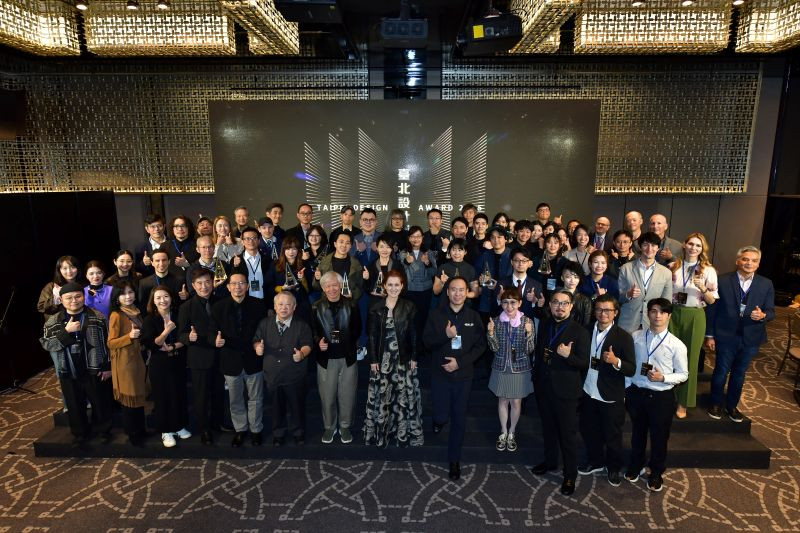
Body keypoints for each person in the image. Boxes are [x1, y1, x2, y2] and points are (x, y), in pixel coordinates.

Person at [423, 277, 487, 481]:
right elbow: (426, 342)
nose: (457, 294)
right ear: (447, 292)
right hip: (440, 375)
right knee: (441, 415)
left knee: (459, 419)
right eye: (453, 290)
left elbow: (481, 346)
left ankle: (454, 461)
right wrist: (445, 335)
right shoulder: (436, 314)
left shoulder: (474, 316)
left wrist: (460, 363)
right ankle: (438, 421)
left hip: (463, 376)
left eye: (461, 290)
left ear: (467, 292)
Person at [530, 289, 590, 496]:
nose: (560, 306)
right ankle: (550, 462)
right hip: (544, 387)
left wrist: (567, 356)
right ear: (550, 305)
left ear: (571, 307)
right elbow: (540, 352)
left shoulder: (580, 331)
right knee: (548, 428)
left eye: (564, 303)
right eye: (556, 302)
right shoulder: (545, 324)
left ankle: (570, 474)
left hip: (566, 391)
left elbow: (584, 363)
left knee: (567, 434)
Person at [705, 245, 775, 422]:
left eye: (754, 260)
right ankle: (715, 403)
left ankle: (732, 406)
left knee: (739, 373)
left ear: (758, 264)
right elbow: (712, 309)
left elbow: (771, 311)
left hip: (751, 337)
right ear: (737, 261)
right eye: (745, 259)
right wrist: (710, 335)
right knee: (721, 371)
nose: (749, 263)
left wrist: (763, 315)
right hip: (725, 335)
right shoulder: (722, 280)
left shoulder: (766, 284)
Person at [625, 298, 688, 492]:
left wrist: (663, 378)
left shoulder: (676, 344)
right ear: (648, 314)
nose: (657, 315)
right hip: (637, 393)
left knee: (659, 437)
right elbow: (629, 365)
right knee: (638, 433)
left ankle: (656, 472)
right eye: (653, 311)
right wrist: (626, 388)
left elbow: (683, 374)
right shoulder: (635, 336)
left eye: (662, 312)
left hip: (661, 397)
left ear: (669, 316)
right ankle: (636, 465)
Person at [39, 282, 113, 446]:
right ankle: (80, 433)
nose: (74, 300)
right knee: (74, 403)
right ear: (61, 300)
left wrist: (107, 366)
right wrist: (66, 332)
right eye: (69, 298)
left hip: (94, 366)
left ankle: (103, 430)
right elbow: (48, 345)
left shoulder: (97, 316)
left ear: (84, 297)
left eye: (78, 296)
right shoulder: (53, 321)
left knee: (100, 401)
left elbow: (108, 343)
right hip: (68, 367)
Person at [578, 294, 636, 486]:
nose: (603, 313)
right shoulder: (585, 331)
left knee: (613, 435)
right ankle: (595, 461)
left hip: (610, 394)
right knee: (589, 430)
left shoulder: (623, 337)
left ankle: (613, 468)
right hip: (588, 390)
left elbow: (631, 368)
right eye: (599, 309)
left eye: (608, 310)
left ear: (616, 313)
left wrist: (615, 361)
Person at [364, 269, 423, 447]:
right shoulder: (375, 307)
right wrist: (373, 359)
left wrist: (414, 356)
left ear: (402, 286)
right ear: (384, 286)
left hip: (403, 359)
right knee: (383, 397)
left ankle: (403, 433)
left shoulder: (409, 306)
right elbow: (372, 336)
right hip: (382, 360)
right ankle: (382, 433)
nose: (393, 288)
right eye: (390, 284)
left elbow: (414, 334)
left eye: (397, 284)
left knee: (403, 396)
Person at [210, 273, 267, 447]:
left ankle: (256, 430)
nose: (238, 286)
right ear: (228, 287)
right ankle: (240, 430)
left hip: (253, 358)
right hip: (230, 360)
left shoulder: (259, 305)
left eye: (242, 283)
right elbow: (212, 331)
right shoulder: (218, 307)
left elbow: (263, 330)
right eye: (234, 283)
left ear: (247, 286)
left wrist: (260, 345)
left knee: (256, 398)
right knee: (235, 400)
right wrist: (215, 340)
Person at [669, 233, 719, 418]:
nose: (693, 248)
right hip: (672, 314)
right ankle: (668, 397)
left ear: (702, 249)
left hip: (695, 315)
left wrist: (703, 288)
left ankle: (683, 402)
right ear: (684, 245)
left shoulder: (708, 270)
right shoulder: (673, 266)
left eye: (698, 245)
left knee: (690, 359)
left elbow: (712, 301)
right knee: (668, 356)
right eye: (691, 244)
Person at [254, 291, 313, 446]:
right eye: (280, 304)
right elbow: (256, 340)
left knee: (297, 407)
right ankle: (278, 433)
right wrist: (257, 348)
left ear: (294, 307)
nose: (284, 308)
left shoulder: (302, 325)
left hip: (294, 375)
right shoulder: (264, 323)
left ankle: (298, 432)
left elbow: (308, 344)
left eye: (288, 304)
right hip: (272, 375)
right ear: (274, 306)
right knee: (276, 408)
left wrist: (302, 354)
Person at [312, 272, 362, 444]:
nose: (332, 289)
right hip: (326, 359)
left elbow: (357, 329)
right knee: (327, 396)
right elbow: (313, 331)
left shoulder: (352, 305)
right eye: (328, 286)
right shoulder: (316, 307)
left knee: (347, 395)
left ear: (341, 286)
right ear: (323, 288)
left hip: (348, 357)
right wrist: (318, 342)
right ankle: (329, 427)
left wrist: (348, 342)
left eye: (335, 285)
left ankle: (345, 426)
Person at [178, 268, 224, 445]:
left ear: (213, 283)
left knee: (219, 393)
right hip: (199, 357)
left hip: (220, 356)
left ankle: (217, 423)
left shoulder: (221, 302)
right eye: (199, 283)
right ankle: (204, 429)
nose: (204, 286)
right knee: (201, 396)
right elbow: (181, 333)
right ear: (193, 285)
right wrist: (188, 338)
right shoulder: (186, 307)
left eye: (207, 282)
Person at [141, 285, 191, 448]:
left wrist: (173, 346)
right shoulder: (149, 319)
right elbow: (152, 344)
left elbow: (185, 338)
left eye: (166, 296)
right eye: (158, 298)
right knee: (162, 396)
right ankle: (166, 431)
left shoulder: (178, 314)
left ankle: (179, 426)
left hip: (177, 359)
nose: (163, 300)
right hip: (159, 363)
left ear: (171, 298)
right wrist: (166, 331)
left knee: (179, 393)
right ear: (153, 301)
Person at [486, 287, 535, 453]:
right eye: (505, 302)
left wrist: (529, 334)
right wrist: (490, 333)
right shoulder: (496, 321)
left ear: (520, 303)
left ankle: (512, 432)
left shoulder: (527, 321)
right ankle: (503, 432)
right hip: (501, 366)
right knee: (502, 401)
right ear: (501, 304)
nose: (509, 306)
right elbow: (494, 348)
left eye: (513, 302)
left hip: (520, 369)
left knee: (516, 402)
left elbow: (529, 350)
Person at [107, 281, 148, 446]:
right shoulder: (116, 315)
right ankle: (133, 434)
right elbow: (111, 343)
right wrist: (129, 337)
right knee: (129, 398)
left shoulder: (136, 311)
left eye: (131, 292)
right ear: (117, 298)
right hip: (125, 362)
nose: (128, 296)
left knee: (138, 396)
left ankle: (140, 429)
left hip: (138, 359)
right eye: (123, 294)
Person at [617, 232, 673, 333]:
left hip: (653, 323)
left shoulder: (666, 273)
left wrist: (663, 326)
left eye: (653, 245)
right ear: (640, 247)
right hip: (628, 322)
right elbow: (618, 297)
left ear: (658, 248)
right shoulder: (626, 268)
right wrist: (628, 294)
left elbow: (667, 303)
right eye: (645, 245)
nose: (649, 249)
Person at [400, 226, 437, 345]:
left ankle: (422, 346)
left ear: (422, 237)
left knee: (423, 319)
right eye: (412, 236)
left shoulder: (428, 252)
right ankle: (409, 346)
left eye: (418, 236)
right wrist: (407, 263)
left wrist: (427, 264)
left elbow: (434, 272)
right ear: (408, 238)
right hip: (409, 291)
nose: (415, 239)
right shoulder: (403, 253)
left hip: (425, 291)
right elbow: (403, 273)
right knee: (409, 320)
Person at [265, 235, 312, 324]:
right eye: (288, 249)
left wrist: (302, 279)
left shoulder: (304, 264)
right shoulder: (275, 265)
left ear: (298, 250)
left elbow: (309, 289)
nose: (291, 252)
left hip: (300, 304)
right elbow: (268, 286)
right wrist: (282, 288)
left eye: (294, 249)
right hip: (282, 305)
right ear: (283, 250)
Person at [313, 230, 363, 303]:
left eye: (347, 243)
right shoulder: (324, 262)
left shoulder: (356, 263)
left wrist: (353, 294)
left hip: (349, 303)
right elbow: (316, 287)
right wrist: (317, 279)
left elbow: (360, 286)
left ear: (351, 246)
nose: (344, 245)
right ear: (335, 244)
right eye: (341, 242)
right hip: (328, 303)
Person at [475, 225, 512, 322]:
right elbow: (476, 273)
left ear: (505, 239)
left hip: (507, 302)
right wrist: (479, 281)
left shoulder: (512, 256)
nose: (496, 240)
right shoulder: (485, 255)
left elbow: (515, 278)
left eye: (499, 237)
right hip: (486, 302)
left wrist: (497, 286)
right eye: (493, 237)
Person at [495, 248, 542, 319]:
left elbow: (539, 313)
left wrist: (534, 302)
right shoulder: (501, 283)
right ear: (512, 262)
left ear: (529, 263)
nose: (520, 264)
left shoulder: (537, 285)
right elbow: (493, 308)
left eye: (524, 261)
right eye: (517, 260)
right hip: (505, 323)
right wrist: (499, 299)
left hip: (528, 323)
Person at [434, 238, 479, 303]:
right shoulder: (443, 267)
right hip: (445, 305)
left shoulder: (470, 269)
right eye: (453, 250)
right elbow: (435, 291)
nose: (456, 253)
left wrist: (460, 295)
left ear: (465, 252)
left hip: (465, 306)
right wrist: (442, 283)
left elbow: (475, 293)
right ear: (449, 251)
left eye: (460, 250)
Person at [231, 227, 270, 303]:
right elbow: (232, 281)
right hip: (244, 301)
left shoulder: (267, 260)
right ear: (242, 242)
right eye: (247, 238)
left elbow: (270, 283)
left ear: (258, 241)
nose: (251, 241)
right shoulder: (236, 260)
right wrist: (235, 266)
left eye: (254, 238)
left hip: (264, 301)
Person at [38, 255, 80, 323]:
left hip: (80, 324)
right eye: (65, 268)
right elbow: (41, 308)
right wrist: (56, 298)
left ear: (77, 268)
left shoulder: (84, 286)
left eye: (72, 267)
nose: (69, 271)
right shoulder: (51, 286)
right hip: (57, 325)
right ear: (59, 270)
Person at [365, 234, 401, 308]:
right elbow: (366, 288)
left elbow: (404, 285)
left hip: (394, 302)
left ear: (392, 249)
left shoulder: (397, 265)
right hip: (375, 303)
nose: (385, 250)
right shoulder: (371, 266)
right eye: (381, 246)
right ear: (377, 248)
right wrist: (366, 279)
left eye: (388, 247)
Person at [558, 261, 592, 326]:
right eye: (568, 277)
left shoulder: (585, 301)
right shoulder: (554, 295)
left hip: (576, 331)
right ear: (562, 278)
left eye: (576, 277)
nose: (572, 280)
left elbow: (585, 324)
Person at [534, 234, 567, 298]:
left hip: (557, 295)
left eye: (555, 243)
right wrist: (541, 274)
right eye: (549, 242)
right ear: (545, 244)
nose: (552, 245)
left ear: (559, 245)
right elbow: (531, 277)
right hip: (538, 293)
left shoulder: (564, 262)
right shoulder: (537, 259)